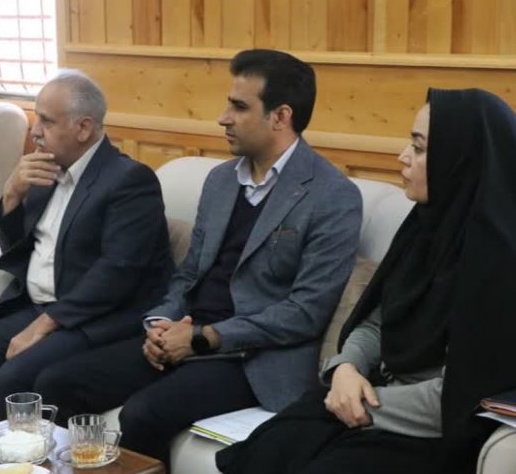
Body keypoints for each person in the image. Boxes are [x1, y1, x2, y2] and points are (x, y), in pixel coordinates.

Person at [34, 49, 362, 465]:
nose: (223, 118)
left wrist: (203, 338)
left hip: (251, 357)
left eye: (239, 106)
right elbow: (188, 274)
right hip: (185, 334)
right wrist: (159, 324)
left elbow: (304, 313)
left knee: (144, 413)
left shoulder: (333, 196)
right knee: (57, 382)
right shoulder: (221, 180)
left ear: (280, 116)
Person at [216, 88, 516, 474]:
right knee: (268, 447)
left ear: (461, 161)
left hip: (432, 431)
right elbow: (378, 322)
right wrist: (345, 368)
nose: (402, 156)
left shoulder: (500, 265)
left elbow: (462, 396)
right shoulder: (424, 229)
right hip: (369, 399)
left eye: (419, 148)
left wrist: (359, 400)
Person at [0, 70, 173, 436]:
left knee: (16, 377)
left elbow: (117, 272)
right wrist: (12, 194)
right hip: (39, 308)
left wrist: (44, 324)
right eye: (36, 119)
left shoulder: (129, 181)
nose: (35, 131)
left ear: (84, 127)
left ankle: (19, 461)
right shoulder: (45, 170)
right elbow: (15, 253)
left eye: (46, 121)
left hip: (93, 318)